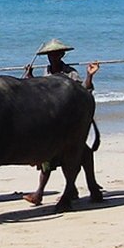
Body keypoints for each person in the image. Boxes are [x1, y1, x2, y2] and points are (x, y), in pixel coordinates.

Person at [22, 39, 100, 205]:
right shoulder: (47, 72)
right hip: (52, 119)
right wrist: (29, 77)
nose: (53, 57)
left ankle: (43, 193)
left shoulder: (70, 73)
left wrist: (90, 75)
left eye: (56, 54)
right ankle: (86, 189)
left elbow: (84, 93)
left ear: (62, 54)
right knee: (76, 154)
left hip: (70, 119)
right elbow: (39, 93)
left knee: (68, 153)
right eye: (50, 54)